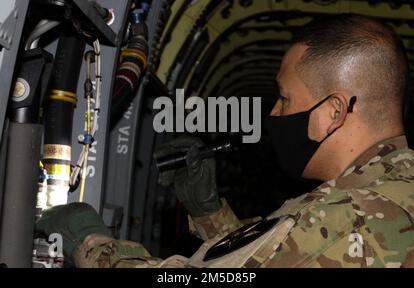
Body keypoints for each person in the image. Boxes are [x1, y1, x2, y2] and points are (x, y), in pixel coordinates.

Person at [36, 14, 414, 268]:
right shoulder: (390, 190)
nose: (275, 115)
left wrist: (94, 245)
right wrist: (209, 212)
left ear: (334, 112)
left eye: (284, 98)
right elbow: (272, 257)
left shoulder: (351, 215)